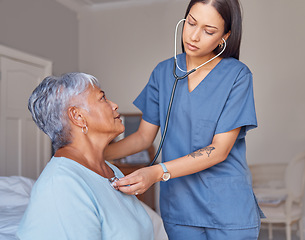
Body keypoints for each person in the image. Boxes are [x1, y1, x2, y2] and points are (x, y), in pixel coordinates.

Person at [104, 0, 264, 239]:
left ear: (224, 37)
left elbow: (219, 150)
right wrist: (95, 154)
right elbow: (143, 137)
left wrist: (156, 173)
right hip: (179, 208)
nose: (194, 36)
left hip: (228, 208)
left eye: (208, 31)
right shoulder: (163, 72)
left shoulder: (237, 76)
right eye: (191, 23)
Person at [16, 73, 154, 240]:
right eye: (102, 98)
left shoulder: (111, 170)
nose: (115, 105)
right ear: (78, 116)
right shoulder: (60, 185)